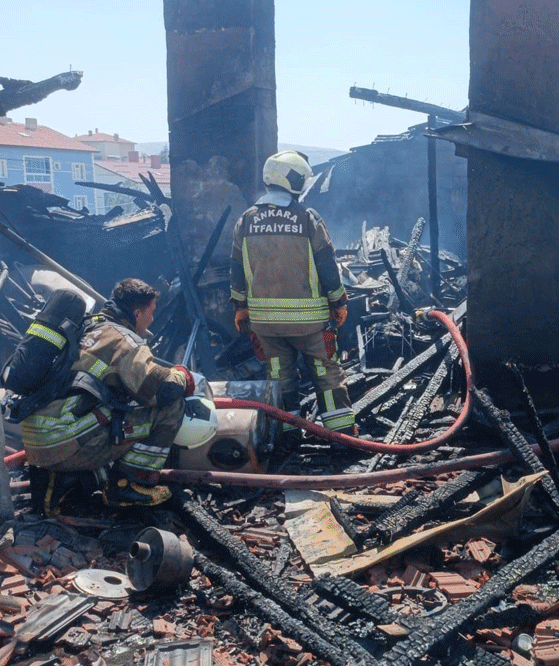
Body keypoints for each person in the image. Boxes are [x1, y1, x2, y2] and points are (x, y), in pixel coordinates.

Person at [21, 278, 197, 508]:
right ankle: (129, 485)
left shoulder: (84, 325)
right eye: (151, 312)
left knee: (115, 406)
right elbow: (161, 391)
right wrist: (183, 376)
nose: (152, 320)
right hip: (63, 443)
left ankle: (68, 482)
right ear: (137, 312)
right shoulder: (124, 341)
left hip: (36, 441)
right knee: (170, 407)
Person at [230, 150, 355, 432]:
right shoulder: (307, 218)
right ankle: (343, 435)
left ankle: (287, 437)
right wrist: (339, 302)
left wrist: (240, 307)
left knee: (279, 377)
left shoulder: (245, 221)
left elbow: (236, 269)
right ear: (292, 180)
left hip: (266, 325)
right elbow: (327, 264)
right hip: (309, 323)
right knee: (326, 374)